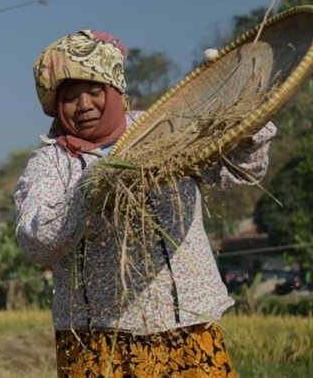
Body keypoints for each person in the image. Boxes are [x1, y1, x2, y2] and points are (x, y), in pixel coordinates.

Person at [14, 30, 276, 377]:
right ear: (56, 105)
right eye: (71, 97)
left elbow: (239, 172)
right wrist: (87, 190)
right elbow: (37, 243)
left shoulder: (165, 129)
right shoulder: (51, 162)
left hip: (186, 325)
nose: (84, 105)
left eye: (95, 91)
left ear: (115, 89)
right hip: (98, 337)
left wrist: (241, 118)